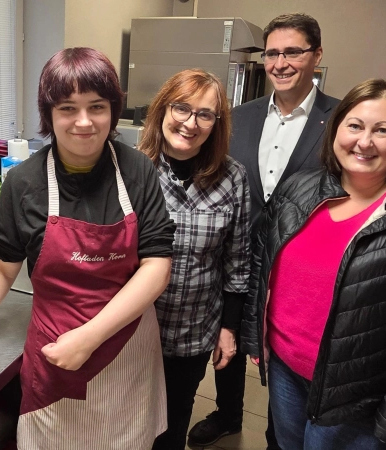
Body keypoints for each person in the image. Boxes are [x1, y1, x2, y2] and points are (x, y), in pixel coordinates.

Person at [0, 47, 176, 449]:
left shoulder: (137, 170)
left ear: (113, 110)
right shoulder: (24, 182)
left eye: (97, 106)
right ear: (49, 114)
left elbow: (156, 267)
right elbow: (0, 268)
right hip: (56, 353)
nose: (83, 122)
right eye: (67, 108)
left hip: (125, 347)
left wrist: (90, 337)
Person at [241, 78, 386, 449]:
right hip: (287, 370)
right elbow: (262, 261)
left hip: (363, 396)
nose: (364, 142)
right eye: (354, 125)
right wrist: (257, 336)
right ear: (336, 130)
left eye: (382, 130)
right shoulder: (299, 188)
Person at [188, 13, 340, 449]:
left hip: (296, 262)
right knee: (230, 331)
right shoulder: (239, 116)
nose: (280, 62)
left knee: (284, 349)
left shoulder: (340, 118)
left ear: (316, 55)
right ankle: (227, 413)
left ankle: (281, 430)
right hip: (236, 252)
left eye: (293, 51)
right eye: (272, 52)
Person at [138, 69, 251, 450]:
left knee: (172, 424)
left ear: (216, 124)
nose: (190, 123)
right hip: (133, 329)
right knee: (128, 421)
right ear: (162, 110)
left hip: (193, 331)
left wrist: (229, 329)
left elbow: (238, 261)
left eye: (205, 114)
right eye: (181, 108)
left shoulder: (233, 177)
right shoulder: (134, 171)